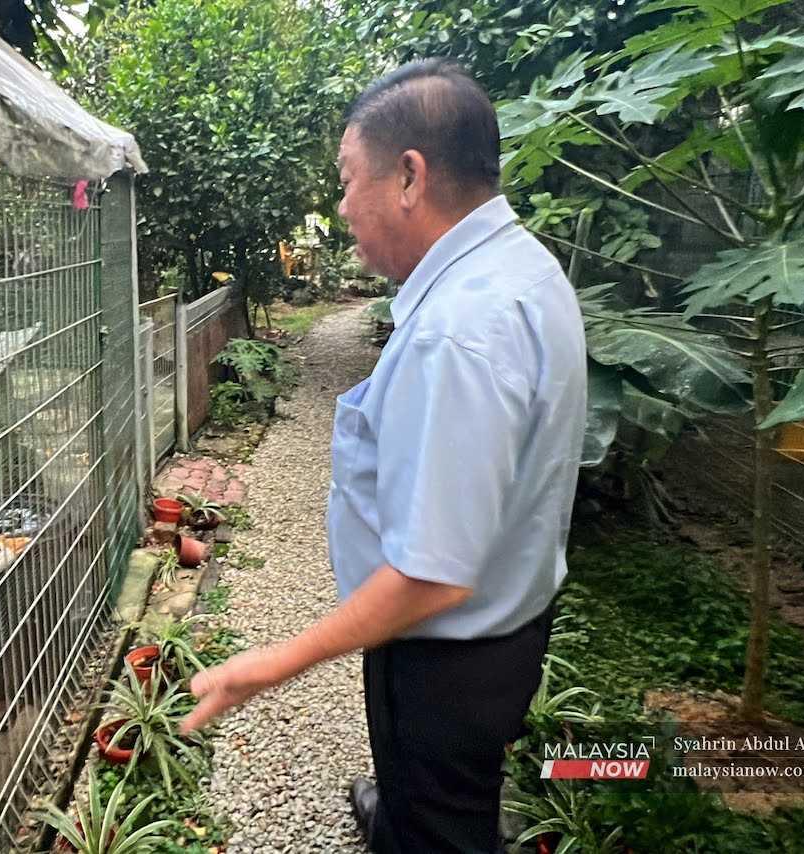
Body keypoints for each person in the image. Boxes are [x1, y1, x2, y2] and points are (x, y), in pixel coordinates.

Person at [179, 58, 587, 853]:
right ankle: (400, 809)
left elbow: (433, 573)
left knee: (442, 829)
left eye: (344, 179)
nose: (340, 207)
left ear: (409, 176)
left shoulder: (459, 333)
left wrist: (268, 664)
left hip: (447, 662)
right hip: (507, 630)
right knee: (437, 803)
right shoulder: (521, 270)